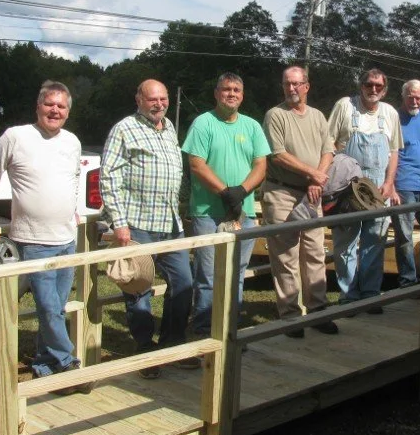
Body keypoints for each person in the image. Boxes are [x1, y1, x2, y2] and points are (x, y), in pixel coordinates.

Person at [0, 81, 92, 394]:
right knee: (49, 307)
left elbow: (74, 181)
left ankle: (44, 364)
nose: (55, 111)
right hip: (33, 240)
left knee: (57, 306)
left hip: (67, 238)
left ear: (68, 111)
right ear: (38, 106)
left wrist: (74, 210)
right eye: (49, 104)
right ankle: (68, 363)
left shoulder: (72, 141)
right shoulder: (16, 136)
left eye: (61, 106)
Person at [100, 79, 196, 379]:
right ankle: (144, 349)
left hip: (170, 224)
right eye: (152, 99)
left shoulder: (168, 128)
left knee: (183, 283)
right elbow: (109, 177)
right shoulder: (124, 129)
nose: (159, 104)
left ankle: (172, 343)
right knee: (138, 290)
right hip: (137, 225)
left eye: (164, 98)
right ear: (138, 100)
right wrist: (120, 222)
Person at [181, 72, 270, 337]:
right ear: (216, 93)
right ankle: (203, 332)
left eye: (236, 90)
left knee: (237, 274)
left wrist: (241, 191)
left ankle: (230, 331)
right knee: (207, 276)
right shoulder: (203, 123)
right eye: (226, 89)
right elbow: (196, 164)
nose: (231, 94)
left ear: (242, 96)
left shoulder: (252, 126)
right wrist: (225, 192)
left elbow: (261, 164)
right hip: (208, 213)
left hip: (243, 214)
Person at [261, 66, 338, 338]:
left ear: (307, 86)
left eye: (296, 84)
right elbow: (278, 155)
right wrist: (312, 174)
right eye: (287, 84)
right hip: (282, 193)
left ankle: (318, 311)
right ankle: (291, 316)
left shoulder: (317, 116)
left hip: (311, 193)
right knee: (286, 256)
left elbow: (328, 150)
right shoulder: (275, 115)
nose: (291, 89)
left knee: (315, 252)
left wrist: (318, 179)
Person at [327, 69, 402, 311]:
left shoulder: (389, 113)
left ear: (385, 89)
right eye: (369, 85)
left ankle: (370, 294)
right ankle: (348, 296)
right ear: (361, 86)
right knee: (345, 243)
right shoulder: (345, 107)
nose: (373, 90)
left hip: (378, 189)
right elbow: (328, 143)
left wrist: (390, 183)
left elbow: (393, 151)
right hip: (347, 189)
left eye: (379, 86)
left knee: (375, 242)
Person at [393, 79, 420, 288]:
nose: (414, 101)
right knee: (405, 238)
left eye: (418, 97)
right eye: (410, 96)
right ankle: (407, 281)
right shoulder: (393, 117)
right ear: (403, 96)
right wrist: (390, 185)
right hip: (403, 185)